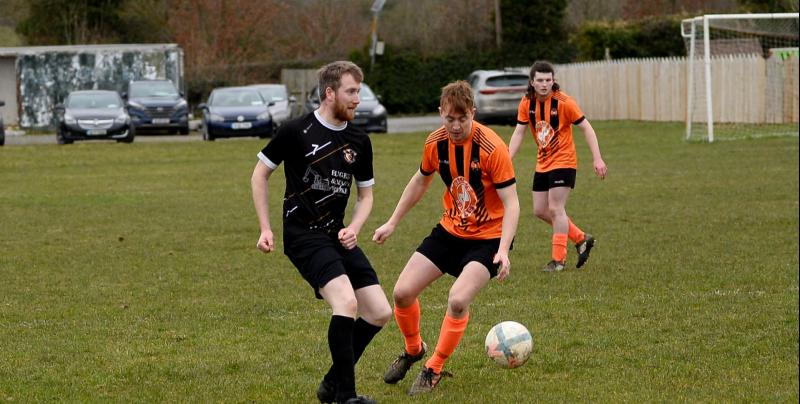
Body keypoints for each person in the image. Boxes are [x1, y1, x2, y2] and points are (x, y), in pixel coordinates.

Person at [251, 61, 391, 404]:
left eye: (359, 91)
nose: (358, 99)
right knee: (346, 302)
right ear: (330, 93)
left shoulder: (359, 139)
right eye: (351, 92)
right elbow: (259, 175)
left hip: (337, 234)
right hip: (303, 235)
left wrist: (355, 228)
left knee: (379, 311)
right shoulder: (295, 131)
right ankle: (346, 396)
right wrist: (266, 228)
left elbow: (366, 195)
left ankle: (331, 383)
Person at [372, 80, 519, 395]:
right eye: (449, 118)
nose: (455, 126)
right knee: (401, 293)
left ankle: (433, 367)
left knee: (457, 299)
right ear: (441, 113)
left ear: (472, 113)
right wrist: (392, 222)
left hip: (489, 239)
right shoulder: (435, 143)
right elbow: (419, 181)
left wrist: (504, 250)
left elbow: (512, 203)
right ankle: (414, 350)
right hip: (450, 232)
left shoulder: (493, 148)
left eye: (462, 118)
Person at [508, 61, 608, 272]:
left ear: (553, 81)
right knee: (540, 210)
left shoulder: (564, 102)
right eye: (540, 80)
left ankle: (558, 261)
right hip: (543, 162)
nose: (544, 84)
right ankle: (581, 238)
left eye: (548, 80)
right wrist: (507, 158)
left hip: (564, 161)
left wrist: (597, 158)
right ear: (532, 82)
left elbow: (587, 129)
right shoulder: (527, 103)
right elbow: (519, 132)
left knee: (555, 208)